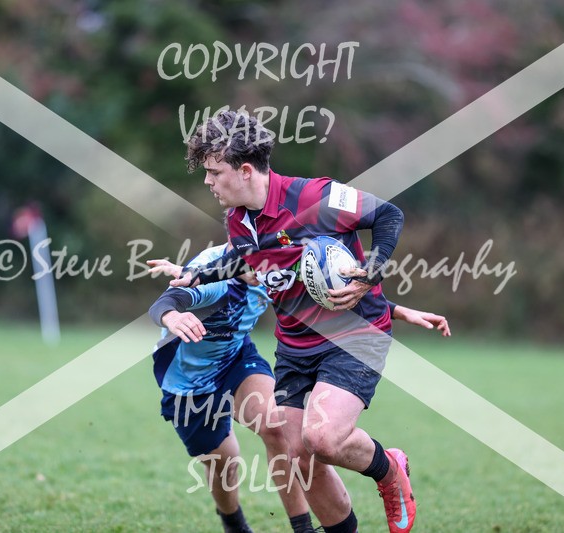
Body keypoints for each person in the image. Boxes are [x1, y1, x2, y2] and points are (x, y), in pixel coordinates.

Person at [168, 110, 418, 533]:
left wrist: (373, 269)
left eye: (214, 172)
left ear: (245, 171)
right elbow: (252, 258)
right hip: (295, 345)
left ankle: (388, 469)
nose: (208, 182)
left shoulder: (316, 197)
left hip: (354, 333)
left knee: (323, 439)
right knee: (299, 458)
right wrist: (198, 275)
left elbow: (389, 215)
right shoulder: (238, 219)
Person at [149, 241, 449, 532]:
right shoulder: (211, 278)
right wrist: (172, 315)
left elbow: (326, 291)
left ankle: (302, 528)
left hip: (236, 361)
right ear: (236, 246)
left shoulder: (271, 262)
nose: (266, 271)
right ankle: (233, 523)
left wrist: (399, 311)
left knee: (277, 427)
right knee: (223, 463)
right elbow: (166, 302)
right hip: (186, 382)